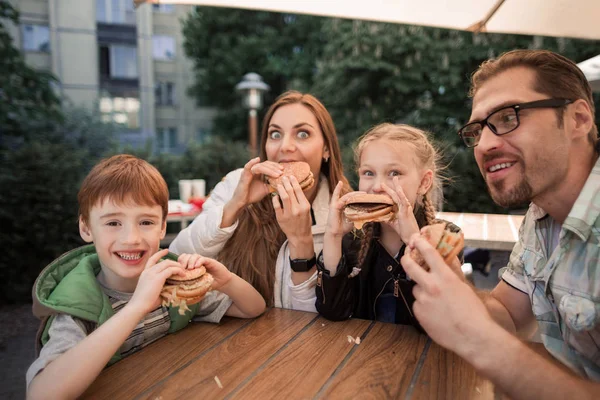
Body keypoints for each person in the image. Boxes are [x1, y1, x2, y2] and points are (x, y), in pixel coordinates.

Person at [401, 49, 600, 399]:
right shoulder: (540, 217)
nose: (486, 144)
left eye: (509, 117)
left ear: (578, 119)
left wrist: (481, 341)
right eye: (477, 129)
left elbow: (491, 335)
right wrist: (451, 280)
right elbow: (509, 315)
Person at [26, 155, 265, 399]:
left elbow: (253, 308)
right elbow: (42, 394)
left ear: (162, 227)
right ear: (87, 228)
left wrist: (227, 282)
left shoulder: (173, 286)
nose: (131, 238)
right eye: (113, 223)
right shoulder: (77, 306)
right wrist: (136, 307)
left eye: (146, 222)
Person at [170, 91, 350, 311]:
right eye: (275, 134)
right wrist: (234, 206)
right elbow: (175, 259)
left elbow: (322, 315)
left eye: (302, 134)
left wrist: (301, 241)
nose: (285, 146)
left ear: (326, 149)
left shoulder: (344, 215)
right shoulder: (236, 185)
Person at [315, 123, 463, 327]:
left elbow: (443, 322)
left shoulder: (445, 237)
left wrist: (414, 241)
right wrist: (333, 236)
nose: (377, 187)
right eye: (368, 173)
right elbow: (333, 312)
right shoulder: (351, 240)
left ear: (424, 183)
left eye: (394, 173)